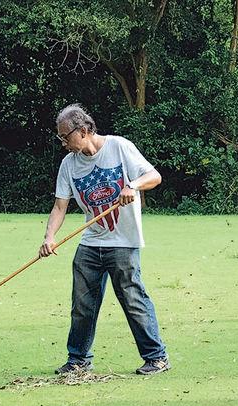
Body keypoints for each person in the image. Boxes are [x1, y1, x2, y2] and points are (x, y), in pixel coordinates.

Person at [39, 103, 170, 375]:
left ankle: (157, 358)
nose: (63, 142)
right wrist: (49, 237)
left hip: (124, 242)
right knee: (82, 305)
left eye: (66, 136)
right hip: (91, 243)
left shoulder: (119, 147)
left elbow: (153, 176)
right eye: (60, 137)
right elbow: (60, 206)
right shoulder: (68, 165)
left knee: (133, 301)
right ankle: (78, 361)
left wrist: (131, 186)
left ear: (84, 130)